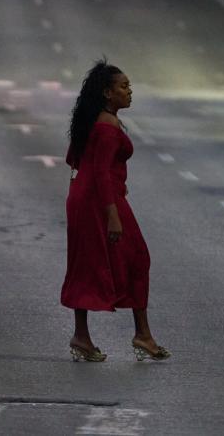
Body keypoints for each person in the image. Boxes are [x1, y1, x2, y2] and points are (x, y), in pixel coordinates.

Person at [61, 60, 169, 362]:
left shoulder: (92, 120)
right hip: (100, 200)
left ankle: (83, 336)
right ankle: (142, 335)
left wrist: (115, 182)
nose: (129, 91)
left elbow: (75, 159)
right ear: (108, 93)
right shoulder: (107, 127)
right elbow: (100, 173)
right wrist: (112, 213)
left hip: (83, 197)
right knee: (137, 258)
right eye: (124, 87)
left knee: (84, 264)